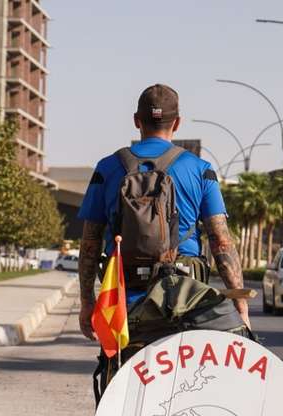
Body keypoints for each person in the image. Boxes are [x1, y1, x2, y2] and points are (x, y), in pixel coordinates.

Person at [77, 83, 248, 340]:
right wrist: (240, 303)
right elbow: (221, 242)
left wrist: (87, 302)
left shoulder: (107, 168)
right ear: (177, 123)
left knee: (121, 371)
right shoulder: (201, 170)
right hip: (187, 300)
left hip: (123, 304)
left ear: (137, 121)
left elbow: (90, 243)